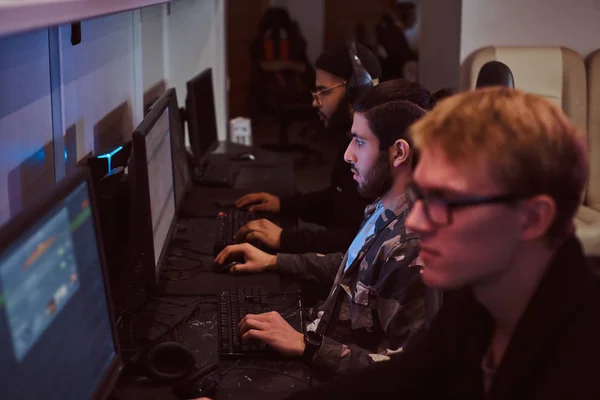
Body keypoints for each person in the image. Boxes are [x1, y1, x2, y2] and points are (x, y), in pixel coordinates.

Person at [284, 87, 600, 399]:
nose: (418, 221)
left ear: (532, 218)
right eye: (420, 195)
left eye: (445, 201)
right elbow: (400, 379)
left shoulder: (583, 363)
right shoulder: (477, 306)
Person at [216, 93, 431, 376]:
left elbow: (407, 374)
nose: (347, 154)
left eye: (360, 142)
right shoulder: (385, 204)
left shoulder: (409, 248)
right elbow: (352, 268)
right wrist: (274, 261)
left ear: (399, 153)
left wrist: (308, 347)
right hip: (321, 342)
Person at [235, 43, 382, 255]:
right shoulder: (351, 139)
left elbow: (355, 240)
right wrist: (285, 205)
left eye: (323, 92)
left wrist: (285, 239)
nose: (315, 102)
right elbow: (338, 202)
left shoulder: (374, 156)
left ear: (356, 93)